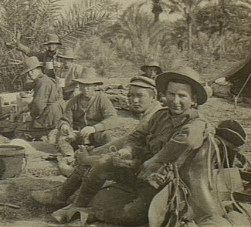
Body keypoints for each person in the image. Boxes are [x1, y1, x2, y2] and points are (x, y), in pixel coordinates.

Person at [49, 66, 214, 226]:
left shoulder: (197, 124)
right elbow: (137, 135)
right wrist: (127, 150)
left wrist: (156, 160)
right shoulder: (161, 115)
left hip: (163, 183)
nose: (175, 101)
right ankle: (77, 205)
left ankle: (91, 214)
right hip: (139, 169)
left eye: (182, 96)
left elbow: (187, 141)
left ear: (194, 99)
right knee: (102, 165)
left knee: (133, 216)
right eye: (171, 94)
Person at [31, 76, 162, 207]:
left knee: (96, 161)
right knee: (84, 152)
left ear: (153, 96)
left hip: (147, 173)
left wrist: (93, 153)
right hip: (81, 136)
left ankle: (62, 195)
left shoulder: (154, 116)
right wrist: (66, 127)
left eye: (140, 96)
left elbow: (117, 125)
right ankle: (67, 192)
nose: (134, 100)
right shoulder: (74, 101)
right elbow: (130, 138)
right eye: (131, 96)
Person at [55, 67, 118, 156]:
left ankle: (106, 156)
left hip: (96, 134)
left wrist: (94, 128)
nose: (85, 89)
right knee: (62, 138)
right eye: (82, 85)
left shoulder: (102, 99)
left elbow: (113, 119)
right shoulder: (74, 101)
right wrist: (64, 126)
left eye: (88, 86)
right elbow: (64, 119)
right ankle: (69, 157)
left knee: (108, 136)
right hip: (79, 135)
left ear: (95, 86)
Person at [14, 56, 65, 140]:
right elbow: (36, 102)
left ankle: (46, 135)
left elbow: (38, 106)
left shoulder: (43, 83)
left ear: (39, 69)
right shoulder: (44, 79)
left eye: (32, 70)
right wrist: (22, 110)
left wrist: (32, 116)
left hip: (50, 117)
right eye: (28, 72)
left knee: (19, 130)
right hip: (55, 114)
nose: (30, 73)